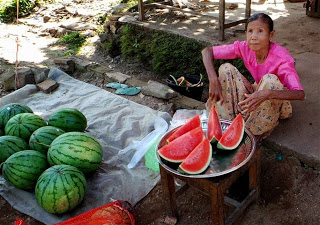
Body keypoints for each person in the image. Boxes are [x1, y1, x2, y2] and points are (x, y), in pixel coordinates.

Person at [201, 13, 305, 141]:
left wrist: (268, 93)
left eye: (260, 31)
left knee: (270, 80)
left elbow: (299, 94)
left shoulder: (282, 58)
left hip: (278, 100)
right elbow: (207, 51)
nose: (253, 37)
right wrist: (213, 79)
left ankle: (254, 130)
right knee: (225, 68)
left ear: (271, 35)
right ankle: (229, 120)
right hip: (257, 90)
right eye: (250, 31)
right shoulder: (244, 47)